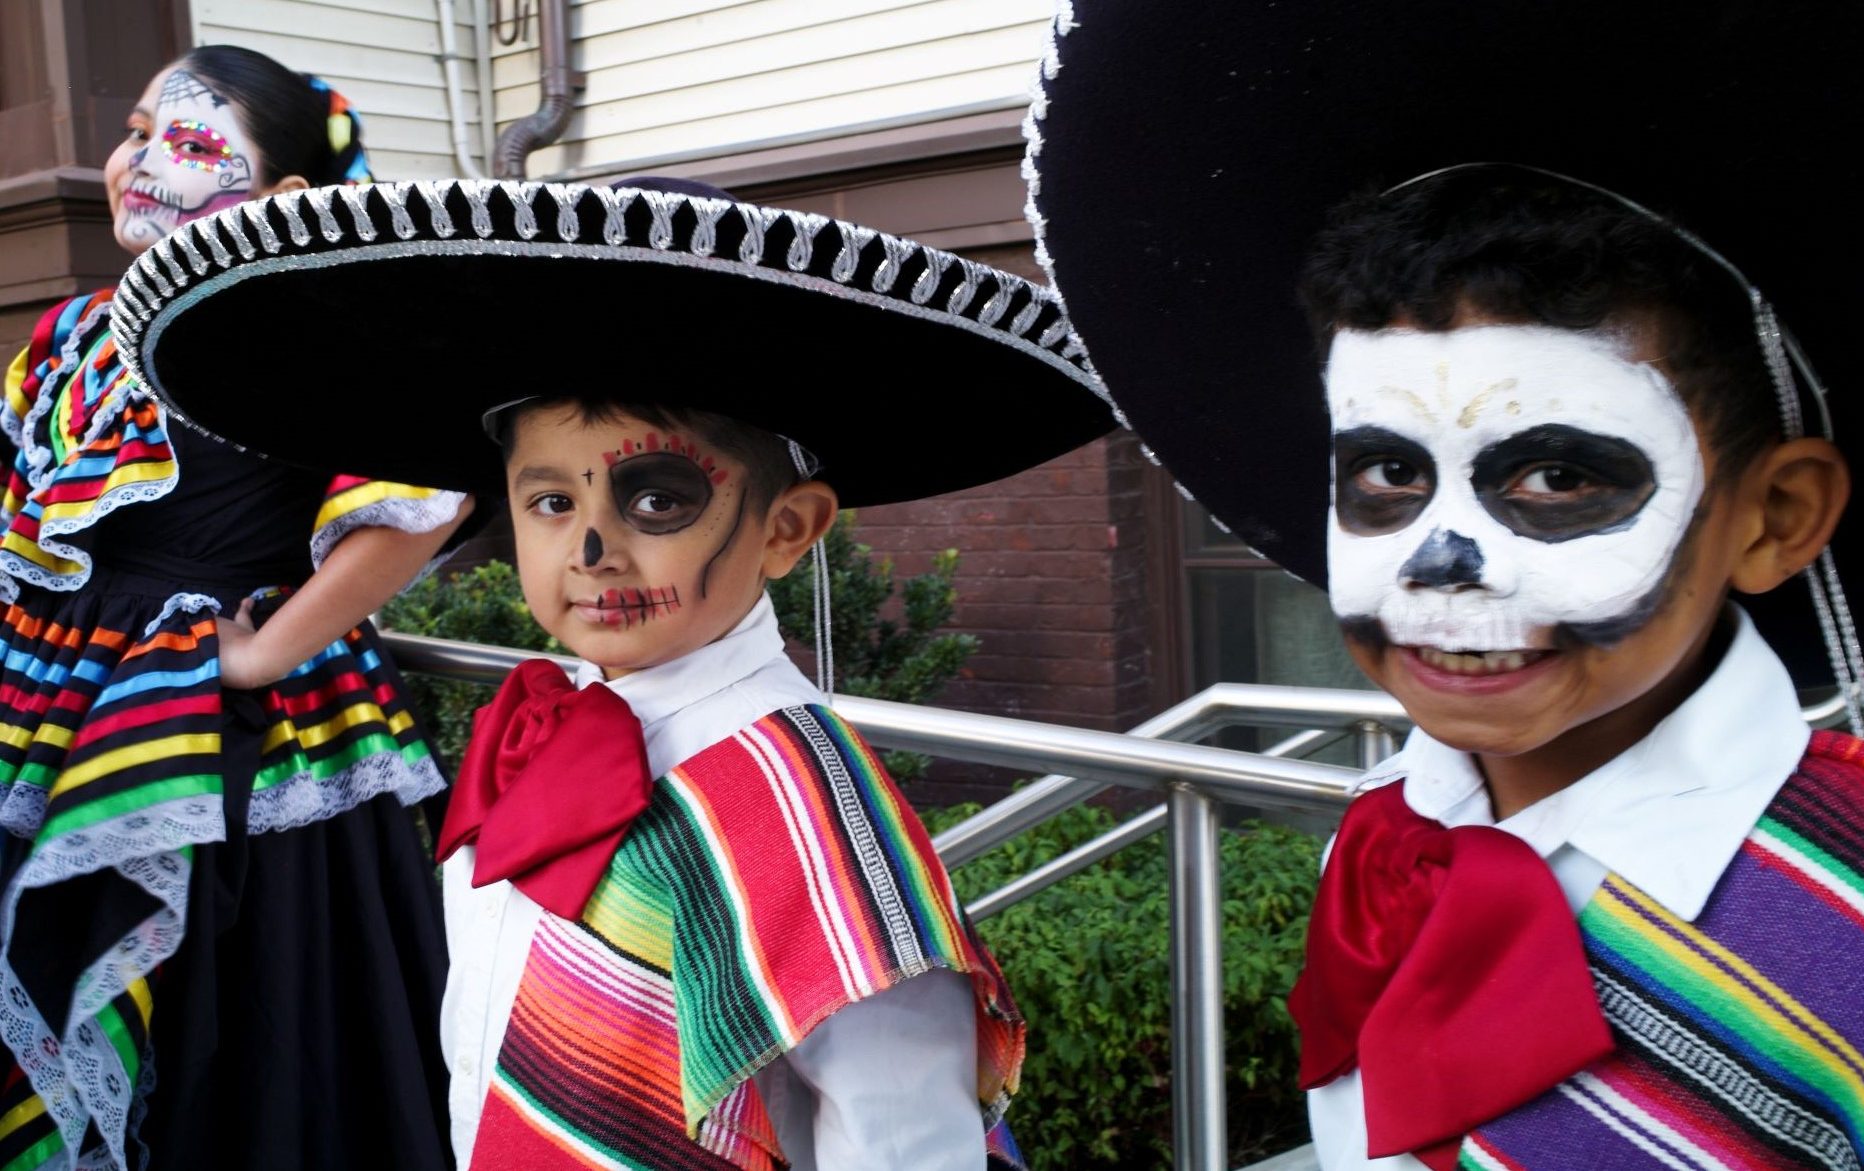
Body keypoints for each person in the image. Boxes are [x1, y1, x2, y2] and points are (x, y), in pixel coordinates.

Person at [109, 174, 1115, 1169]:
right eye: (550, 503)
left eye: (657, 500)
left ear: (786, 529)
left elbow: (908, 1147)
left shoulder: (801, 829)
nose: (590, 553)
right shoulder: (548, 730)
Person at [1025, 1, 1864, 1169]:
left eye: (1556, 474)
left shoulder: (1855, 914)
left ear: (1771, 518)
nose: (1438, 562)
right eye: (1383, 472)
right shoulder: (1382, 836)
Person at [1, 45, 470, 1171]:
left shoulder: (307, 325)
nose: (143, 164)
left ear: (286, 201)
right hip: (57, 702)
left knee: (239, 1030)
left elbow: (420, 504)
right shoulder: (69, 332)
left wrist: (265, 654)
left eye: (196, 145)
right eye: (136, 132)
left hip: (229, 740)